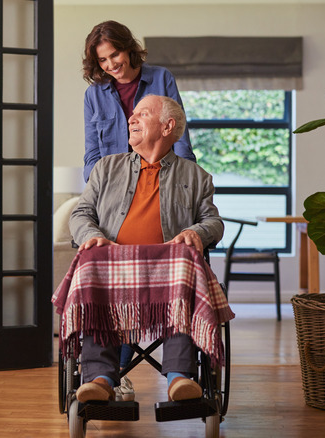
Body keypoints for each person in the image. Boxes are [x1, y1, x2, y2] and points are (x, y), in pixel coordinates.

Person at [69, 95, 224, 403]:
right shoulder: (106, 168)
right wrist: (91, 235)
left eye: (142, 114)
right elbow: (81, 213)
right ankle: (100, 379)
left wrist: (195, 232)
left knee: (185, 263)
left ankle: (180, 377)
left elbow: (213, 221)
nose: (131, 119)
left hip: (168, 272)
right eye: (133, 114)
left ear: (167, 126)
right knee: (92, 263)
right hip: (114, 267)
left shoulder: (196, 176)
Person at [81, 20, 196, 183]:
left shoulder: (161, 78)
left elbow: (179, 136)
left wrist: (186, 180)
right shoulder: (93, 94)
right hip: (113, 184)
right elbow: (92, 151)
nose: (111, 64)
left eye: (115, 55)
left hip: (161, 181)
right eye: (102, 60)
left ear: (128, 48)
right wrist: (96, 185)